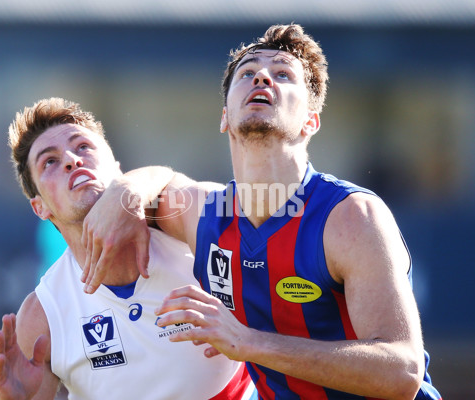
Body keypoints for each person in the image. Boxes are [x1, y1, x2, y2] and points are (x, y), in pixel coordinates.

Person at [81, 24, 442, 399]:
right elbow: (161, 180)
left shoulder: (351, 217)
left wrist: (248, 342)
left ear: (310, 122)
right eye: (247, 72)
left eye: (283, 74)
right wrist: (124, 189)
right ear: (224, 118)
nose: (263, 77)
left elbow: (402, 371)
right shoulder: (205, 213)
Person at [0, 97, 255, 400]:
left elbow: (190, 189)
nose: (72, 160)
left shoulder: (189, 231)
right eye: (49, 161)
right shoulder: (41, 317)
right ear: (39, 207)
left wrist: (132, 188)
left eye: (84, 147)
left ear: (117, 168)